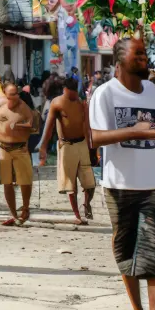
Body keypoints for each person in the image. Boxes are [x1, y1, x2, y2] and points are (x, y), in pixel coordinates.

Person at [89, 37, 155, 310]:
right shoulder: (105, 93)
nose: (144, 57)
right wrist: (135, 131)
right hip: (119, 184)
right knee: (125, 250)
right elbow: (96, 138)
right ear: (120, 59)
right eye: (138, 53)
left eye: (144, 53)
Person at [39, 75, 97, 225]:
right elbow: (49, 127)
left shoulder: (81, 103)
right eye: (72, 92)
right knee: (71, 184)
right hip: (66, 146)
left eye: (76, 92)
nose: (75, 95)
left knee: (90, 183)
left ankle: (86, 204)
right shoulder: (57, 103)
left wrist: (92, 147)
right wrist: (43, 147)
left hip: (82, 143)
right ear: (65, 89)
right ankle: (77, 215)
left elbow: (87, 126)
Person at [0, 81, 37, 225]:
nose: (15, 97)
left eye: (16, 94)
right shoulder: (0, 108)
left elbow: (32, 126)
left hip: (20, 148)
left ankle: (25, 207)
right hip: (4, 148)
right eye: (12, 94)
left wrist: (17, 125)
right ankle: (13, 214)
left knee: (25, 181)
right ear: (6, 95)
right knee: (7, 182)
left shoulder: (24, 108)